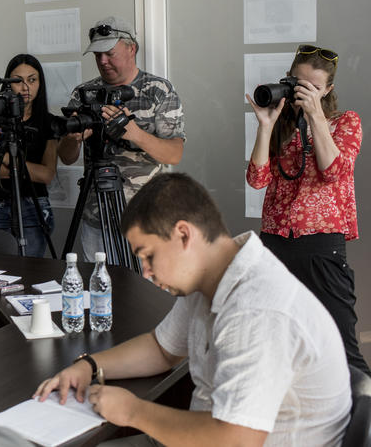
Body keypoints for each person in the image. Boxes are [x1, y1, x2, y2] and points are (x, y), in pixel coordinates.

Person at [34, 173, 351, 447]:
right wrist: (88, 365)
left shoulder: (256, 309)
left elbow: (237, 440)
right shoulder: (211, 277)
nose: (145, 272)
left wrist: (133, 411)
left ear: (184, 235)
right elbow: (162, 349)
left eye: (148, 256)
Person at [246, 44, 368, 375]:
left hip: (320, 245)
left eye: (313, 87)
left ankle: (361, 407)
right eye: (298, 83)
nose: (303, 92)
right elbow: (257, 179)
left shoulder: (346, 122)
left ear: (328, 89)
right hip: (274, 243)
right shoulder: (281, 122)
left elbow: (333, 171)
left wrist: (315, 116)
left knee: (342, 348)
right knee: (275, 342)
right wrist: (265, 126)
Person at [57, 16, 185, 261]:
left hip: (147, 220)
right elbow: (66, 157)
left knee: (145, 287)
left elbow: (174, 154)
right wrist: (73, 139)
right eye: (97, 55)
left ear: (131, 48)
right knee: (99, 284)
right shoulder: (84, 94)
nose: (103, 61)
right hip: (97, 218)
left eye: (109, 53)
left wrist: (134, 132)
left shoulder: (158, 90)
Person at [0, 54, 57, 257]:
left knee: (30, 270)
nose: (25, 87)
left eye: (32, 80)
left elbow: (47, 174)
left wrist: (7, 159)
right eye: (18, 81)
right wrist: (26, 171)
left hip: (34, 205)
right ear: (8, 84)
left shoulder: (48, 122)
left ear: (40, 83)